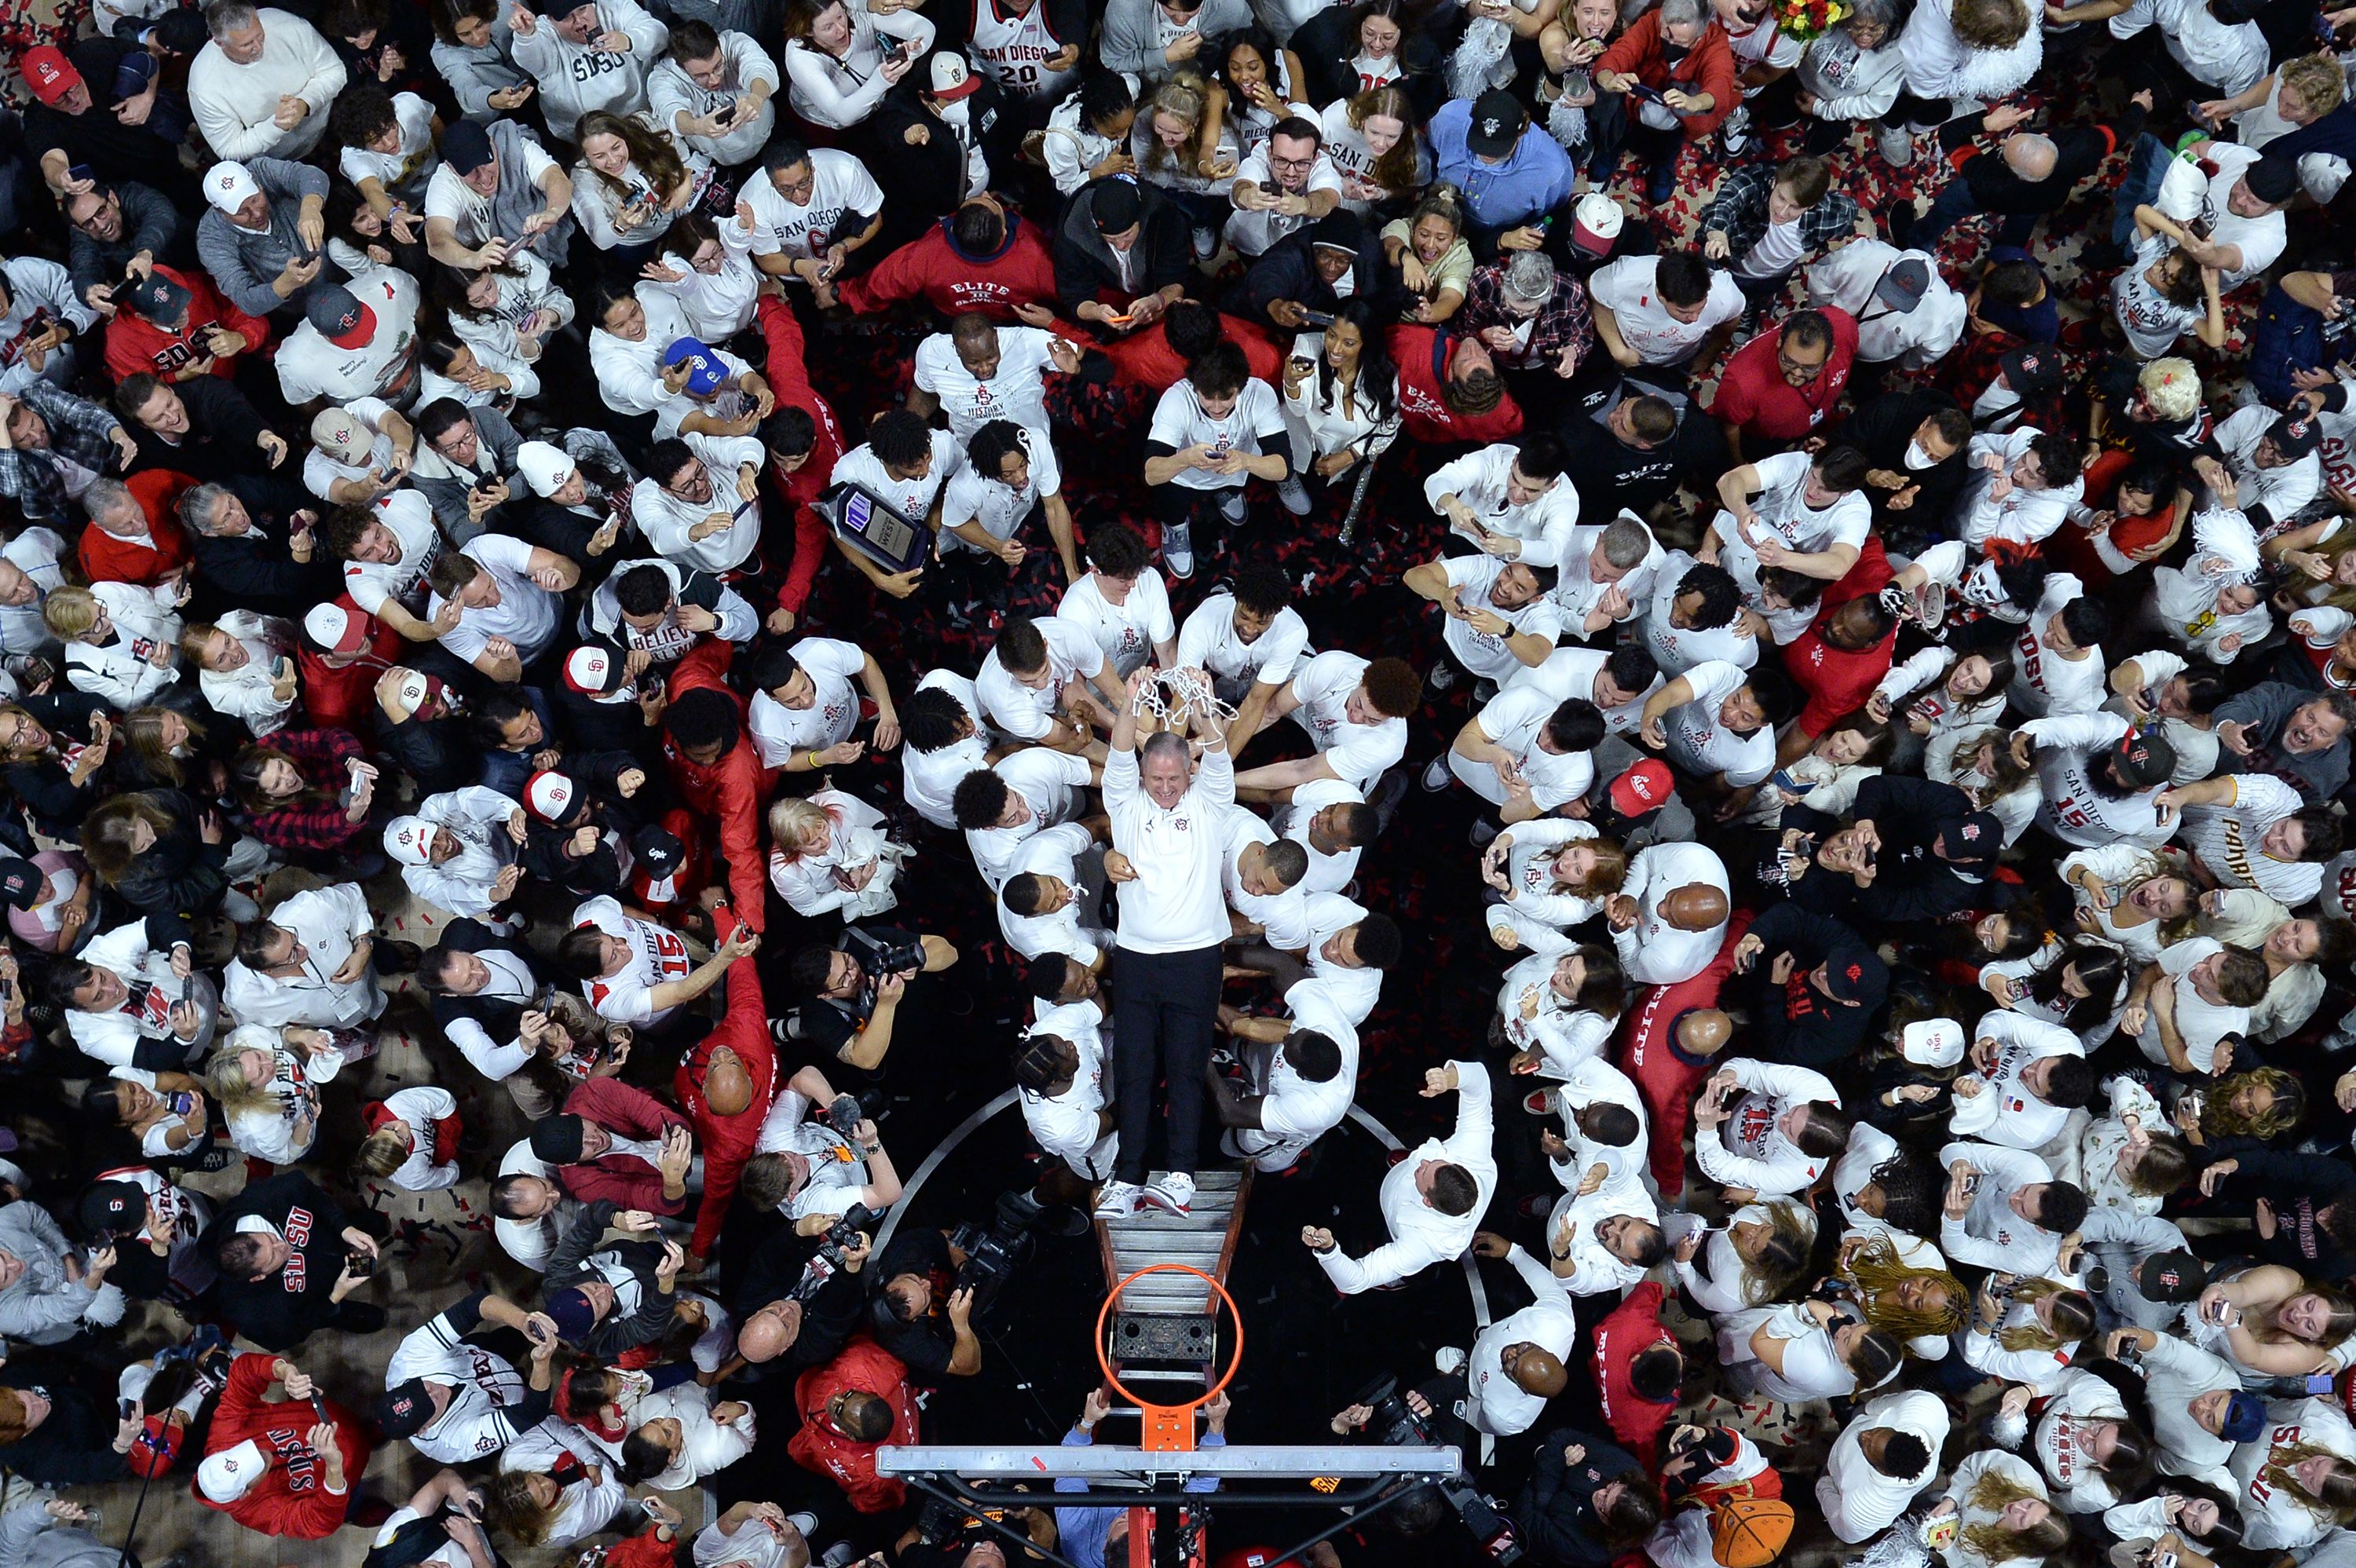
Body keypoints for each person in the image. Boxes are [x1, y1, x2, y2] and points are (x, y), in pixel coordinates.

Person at [1094, 667, 1235, 1219]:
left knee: (1185, 1066)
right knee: (1133, 1067)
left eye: (1175, 778)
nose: (1167, 788)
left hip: (1197, 959)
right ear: (1144, 776)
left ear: (1189, 772)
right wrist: (1129, 703)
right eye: (1157, 779)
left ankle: (1180, 1174)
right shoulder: (1125, 805)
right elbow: (1120, 749)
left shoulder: (1210, 802)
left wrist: (1200, 704)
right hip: (1135, 959)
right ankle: (1128, 1177)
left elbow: (1219, 751)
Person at [1304, 1060, 1495, 1292]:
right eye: (1434, 1162)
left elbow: (1355, 1281)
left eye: (1422, 1171)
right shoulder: (1474, 1154)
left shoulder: (1420, 1245)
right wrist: (1450, 1079)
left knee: (1396, 1255)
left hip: (1394, 1226)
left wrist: (1329, 1250)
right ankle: (1404, 1171)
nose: (1423, 1161)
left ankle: (1400, 1280)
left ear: (1427, 1201)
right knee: (1406, 1166)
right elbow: (1480, 1081)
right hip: (1398, 1183)